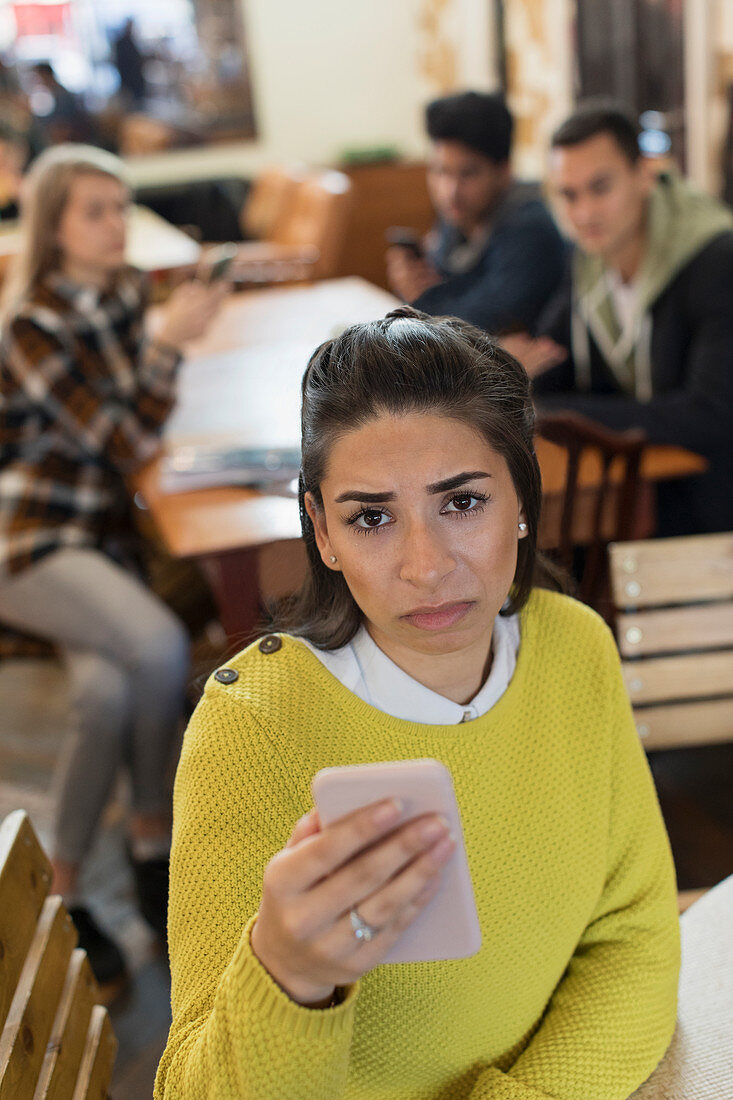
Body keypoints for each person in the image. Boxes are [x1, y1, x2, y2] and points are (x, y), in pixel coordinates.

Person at [155, 307, 679, 1098]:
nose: (425, 566)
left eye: (462, 502)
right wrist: (286, 975)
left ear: (522, 495)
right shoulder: (251, 726)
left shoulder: (575, 646)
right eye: (371, 518)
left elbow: (635, 936)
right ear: (321, 534)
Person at [0, 144, 227, 991]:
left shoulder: (124, 294)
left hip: (99, 543)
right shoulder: (32, 325)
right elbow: (128, 437)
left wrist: (169, 337)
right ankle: (148, 839)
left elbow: (144, 412)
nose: (112, 224)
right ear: (53, 225)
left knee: (105, 693)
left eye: (118, 206)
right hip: (29, 544)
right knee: (163, 650)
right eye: (93, 209)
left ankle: (60, 895)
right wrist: (171, 344)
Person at [524, 100, 733, 536]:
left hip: (711, 504)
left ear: (645, 174)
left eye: (600, 188)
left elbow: (711, 413)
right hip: (643, 483)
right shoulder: (590, 255)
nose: (583, 213)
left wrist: (557, 411)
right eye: (568, 194)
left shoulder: (716, 259)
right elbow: (548, 361)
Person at [385, 90, 566, 336]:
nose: (450, 191)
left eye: (468, 173)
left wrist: (423, 300)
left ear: (504, 171)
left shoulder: (529, 228)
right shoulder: (461, 211)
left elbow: (480, 321)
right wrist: (415, 283)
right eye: (440, 171)